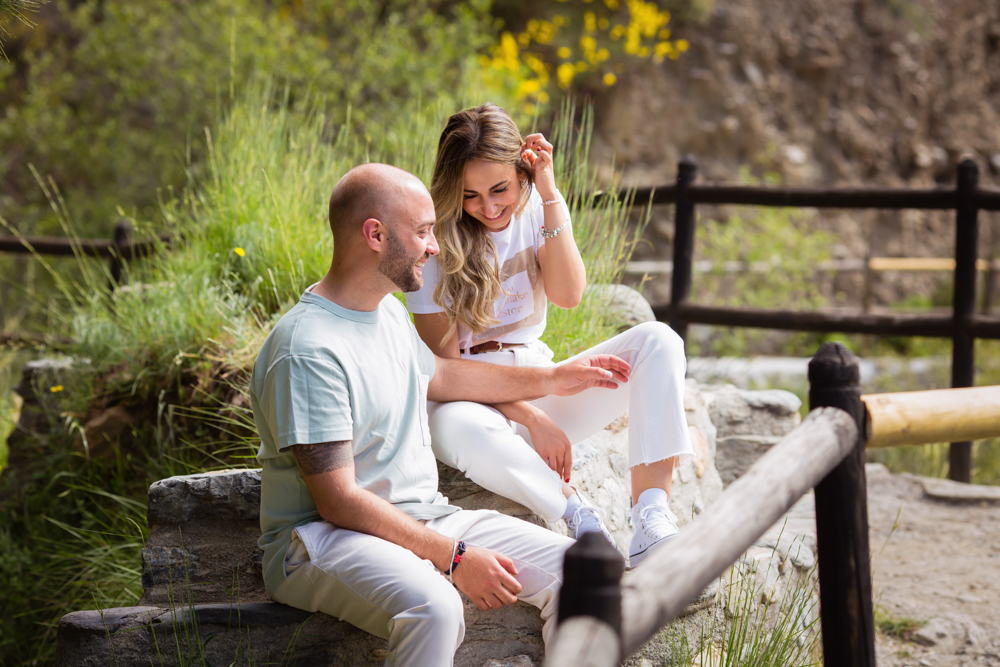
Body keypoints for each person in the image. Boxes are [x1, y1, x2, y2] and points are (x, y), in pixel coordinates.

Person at [249, 162, 632, 667]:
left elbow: (445, 377)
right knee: (435, 608)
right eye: (425, 231)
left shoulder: (386, 312)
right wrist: (453, 557)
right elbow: (338, 501)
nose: (435, 247)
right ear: (375, 234)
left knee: (583, 576)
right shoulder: (308, 349)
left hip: (425, 516)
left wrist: (553, 379)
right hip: (321, 539)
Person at [407, 102, 693, 568]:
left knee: (660, 341)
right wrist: (533, 416)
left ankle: (650, 519)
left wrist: (550, 193)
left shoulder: (538, 207)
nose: (490, 206)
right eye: (471, 195)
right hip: (470, 399)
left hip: (539, 372)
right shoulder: (434, 243)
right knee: (456, 423)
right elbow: (441, 375)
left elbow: (568, 294)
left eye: (499, 188)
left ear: (522, 172)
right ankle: (580, 517)